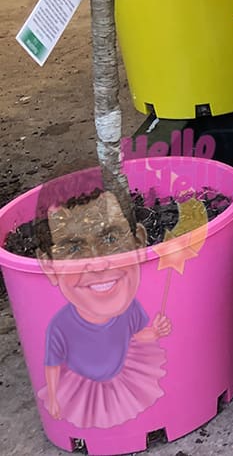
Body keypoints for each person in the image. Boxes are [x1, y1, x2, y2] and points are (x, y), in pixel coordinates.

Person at [35, 183, 169, 429]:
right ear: (48, 266)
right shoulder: (61, 325)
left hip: (121, 374)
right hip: (80, 384)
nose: (97, 263)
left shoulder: (130, 309)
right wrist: (54, 397)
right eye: (74, 248)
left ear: (139, 241)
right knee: (89, 415)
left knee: (126, 409)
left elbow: (136, 335)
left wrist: (156, 333)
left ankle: (136, 431)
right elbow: (52, 363)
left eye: (110, 238)